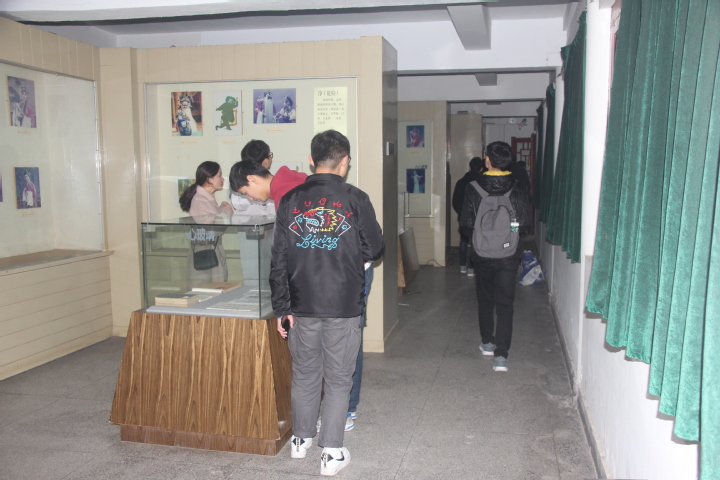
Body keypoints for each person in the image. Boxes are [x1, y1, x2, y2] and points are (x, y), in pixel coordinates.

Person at [271, 130, 384, 476]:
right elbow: (375, 248)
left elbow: (278, 260)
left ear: (311, 160)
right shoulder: (356, 199)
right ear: (345, 161)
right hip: (343, 304)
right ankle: (332, 453)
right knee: (338, 377)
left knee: (305, 373)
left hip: (300, 305)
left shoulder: (290, 200)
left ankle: (300, 440)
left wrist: (282, 308)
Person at [459, 141, 530, 373]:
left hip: (482, 253)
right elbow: (524, 222)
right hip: (509, 254)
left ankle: (488, 343)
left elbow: (466, 224)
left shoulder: (473, 187)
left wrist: (482, 236)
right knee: (505, 305)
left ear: (487, 159)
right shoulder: (517, 186)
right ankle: (501, 356)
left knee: (486, 300)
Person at [180, 161, 233, 287]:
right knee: (206, 290)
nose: (222, 179)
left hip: (211, 249)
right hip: (204, 253)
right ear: (209, 179)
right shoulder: (200, 200)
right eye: (219, 175)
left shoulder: (207, 198)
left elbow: (215, 217)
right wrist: (227, 210)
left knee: (216, 288)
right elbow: (215, 225)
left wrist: (222, 209)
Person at [228, 159, 307, 208]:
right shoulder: (289, 177)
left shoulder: (284, 196)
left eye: (246, 193)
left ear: (252, 179)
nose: (250, 198)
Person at [452, 156, 483, 276]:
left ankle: (462, 266)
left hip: (463, 216)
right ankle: (471, 267)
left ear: (469, 167)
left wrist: (461, 212)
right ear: (481, 169)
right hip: (478, 216)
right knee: (476, 242)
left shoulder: (461, 182)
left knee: (464, 240)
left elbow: (455, 201)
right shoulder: (482, 183)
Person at [229, 140, 276, 216]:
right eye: (270, 155)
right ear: (265, 162)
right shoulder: (242, 182)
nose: (251, 198)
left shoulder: (240, 181)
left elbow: (236, 203)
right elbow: (275, 211)